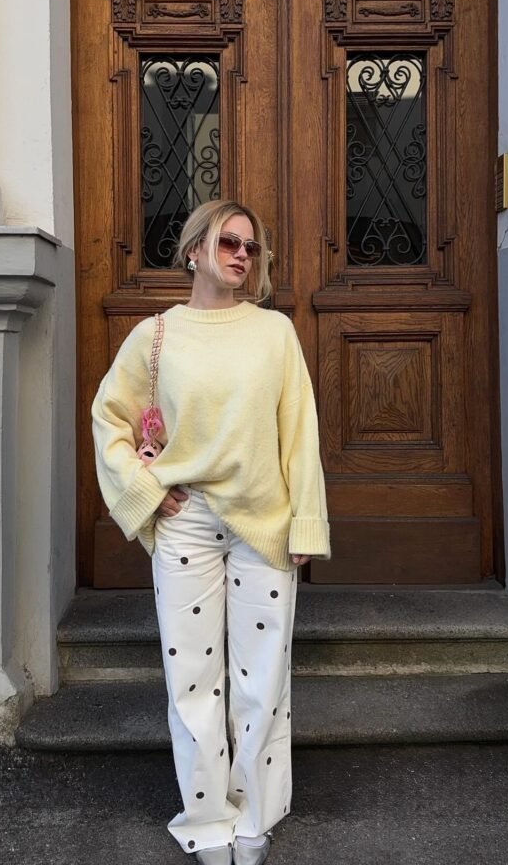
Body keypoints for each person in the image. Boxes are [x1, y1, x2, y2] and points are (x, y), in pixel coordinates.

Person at [92, 200, 331, 865]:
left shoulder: (273, 334)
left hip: (262, 526)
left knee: (261, 677)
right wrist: (147, 491)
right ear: (193, 249)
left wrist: (305, 521)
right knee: (191, 677)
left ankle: (253, 814)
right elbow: (108, 418)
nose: (241, 256)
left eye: (251, 248)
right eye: (228, 242)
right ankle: (205, 821)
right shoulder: (155, 335)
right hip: (187, 524)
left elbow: (298, 433)